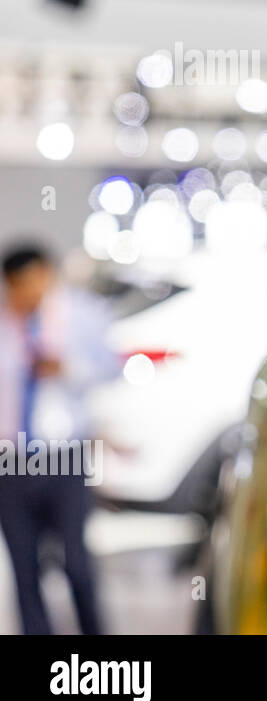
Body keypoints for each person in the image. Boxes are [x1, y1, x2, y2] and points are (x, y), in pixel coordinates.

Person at [0, 244, 117, 634]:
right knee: (23, 563)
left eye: (33, 282)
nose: (27, 293)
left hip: (63, 452)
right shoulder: (5, 321)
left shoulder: (81, 314)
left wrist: (67, 367)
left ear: (48, 275)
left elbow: (108, 369)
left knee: (76, 561)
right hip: (12, 456)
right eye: (18, 285)